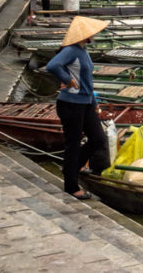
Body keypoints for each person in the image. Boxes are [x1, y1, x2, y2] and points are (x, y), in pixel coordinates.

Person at [46, 16, 111, 199]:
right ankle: (71, 186)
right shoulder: (72, 50)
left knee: (98, 139)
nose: (95, 35)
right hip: (71, 104)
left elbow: (87, 80)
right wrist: (68, 80)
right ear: (85, 34)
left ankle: (72, 167)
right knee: (73, 145)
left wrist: (94, 103)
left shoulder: (84, 49)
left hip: (86, 102)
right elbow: (52, 65)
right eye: (93, 33)